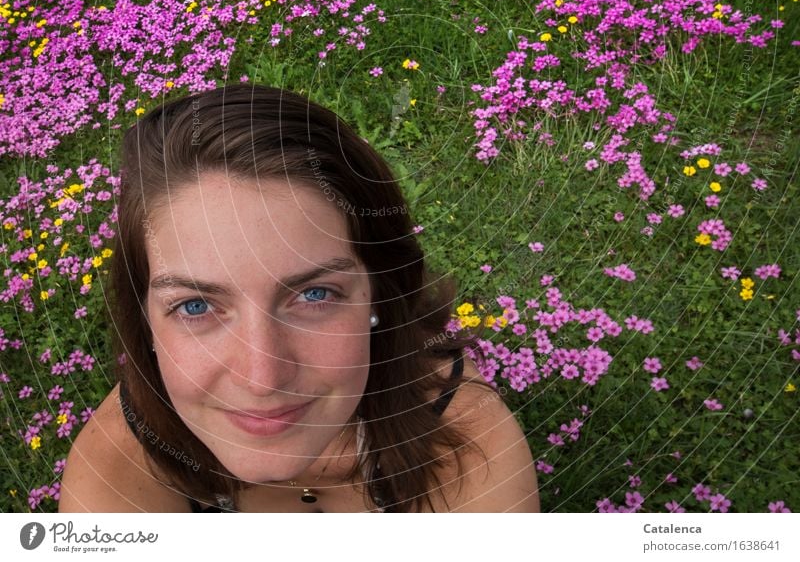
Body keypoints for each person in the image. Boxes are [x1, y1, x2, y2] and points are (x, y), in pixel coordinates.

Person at [58, 84, 539, 513]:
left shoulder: (468, 445)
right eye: (196, 306)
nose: (263, 379)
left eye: (314, 294)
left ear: (379, 295)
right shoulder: (117, 470)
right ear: (145, 321)